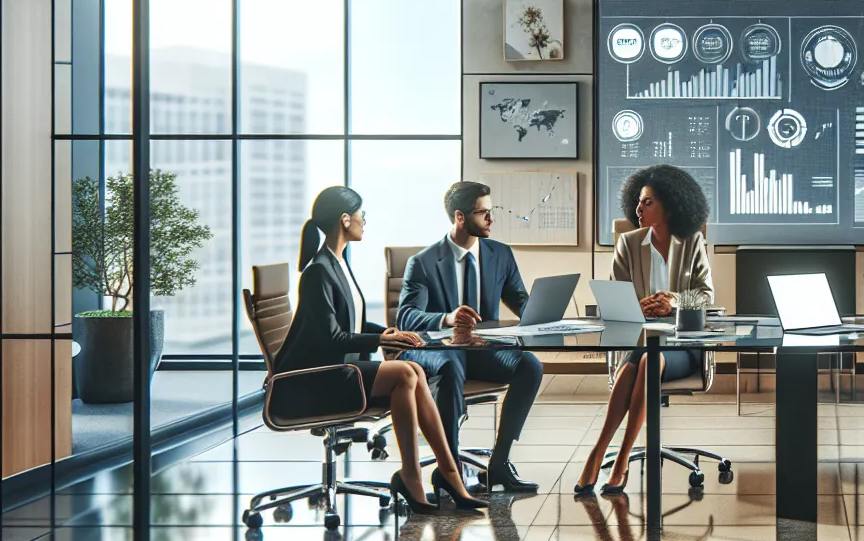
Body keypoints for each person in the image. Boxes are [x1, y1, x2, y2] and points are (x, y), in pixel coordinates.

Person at [274, 186, 484, 513]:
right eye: (361, 214)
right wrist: (380, 341)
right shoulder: (318, 273)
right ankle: (418, 477)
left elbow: (353, 323)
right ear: (345, 220)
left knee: (412, 371)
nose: (365, 220)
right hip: (314, 382)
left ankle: (446, 474)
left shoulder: (337, 263)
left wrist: (389, 333)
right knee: (406, 373)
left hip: (341, 372)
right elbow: (331, 338)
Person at [395, 181, 546, 494]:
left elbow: (519, 299)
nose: (491, 219)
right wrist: (447, 318)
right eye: (483, 213)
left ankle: (499, 464)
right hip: (436, 349)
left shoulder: (500, 254)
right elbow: (406, 317)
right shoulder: (423, 262)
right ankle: (449, 469)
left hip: (480, 349)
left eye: (491, 211)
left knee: (529, 365)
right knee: (450, 367)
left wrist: (544, 313)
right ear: (460, 217)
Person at [576, 164, 714, 496]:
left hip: (681, 344)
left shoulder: (691, 242)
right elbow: (616, 298)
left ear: (670, 206)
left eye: (647, 202)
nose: (638, 209)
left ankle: (619, 459)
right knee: (635, 365)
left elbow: (706, 296)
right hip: (641, 340)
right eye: (638, 201)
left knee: (647, 362)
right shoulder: (628, 243)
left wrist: (673, 301)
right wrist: (638, 306)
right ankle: (599, 453)